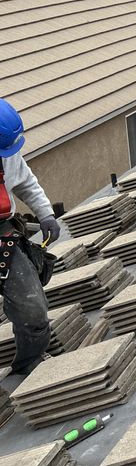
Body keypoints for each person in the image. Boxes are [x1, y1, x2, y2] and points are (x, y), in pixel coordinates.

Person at [0, 98, 61, 375]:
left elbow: (25, 182)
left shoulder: (7, 150)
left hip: (3, 233)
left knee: (33, 311)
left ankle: (29, 363)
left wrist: (45, 214)